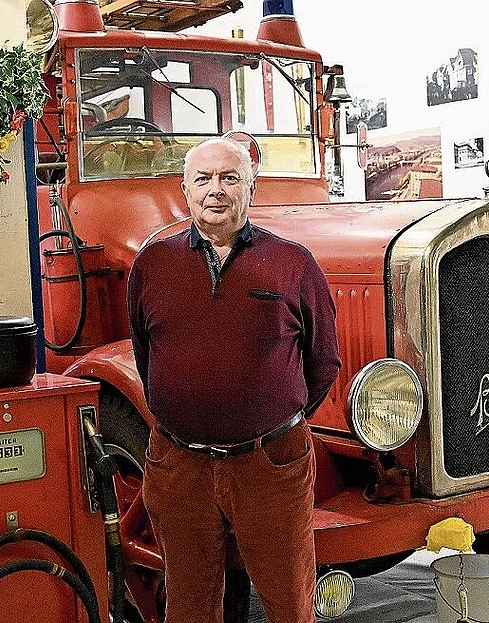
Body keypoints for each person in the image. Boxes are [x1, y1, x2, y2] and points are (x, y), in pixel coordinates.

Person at [127, 137, 341, 623]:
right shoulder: (152, 265)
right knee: (189, 605)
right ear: (185, 190)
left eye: (229, 178)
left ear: (251, 187)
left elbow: (323, 360)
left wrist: (270, 419)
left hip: (269, 467)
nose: (215, 190)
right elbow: (146, 353)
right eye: (203, 179)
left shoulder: (293, 263)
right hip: (180, 466)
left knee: (291, 603)